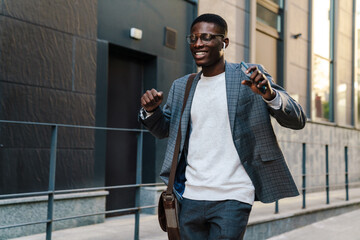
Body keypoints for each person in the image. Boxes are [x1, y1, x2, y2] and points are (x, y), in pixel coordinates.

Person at [139, 13, 306, 240]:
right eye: (194, 38)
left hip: (233, 195)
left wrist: (270, 95)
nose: (198, 43)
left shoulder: (250, 75)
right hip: (189, 195)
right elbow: (164, 130)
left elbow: (297, 120)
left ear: (224, 42)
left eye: (207, 37)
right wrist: (151, 111)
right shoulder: (182, 86)